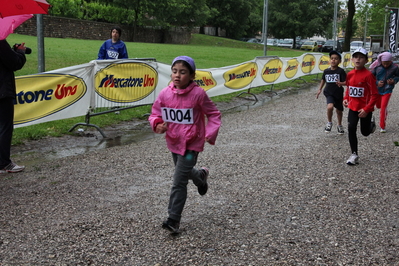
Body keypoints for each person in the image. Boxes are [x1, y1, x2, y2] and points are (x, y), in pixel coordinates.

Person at [148, 56, 222, 234]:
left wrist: (209, 133)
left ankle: (173, 219)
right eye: (174, 71)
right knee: (186, 172)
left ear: (191, 75)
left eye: (183, 72)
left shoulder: (198, 94)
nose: (177, 75)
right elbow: (155, 113)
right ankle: (201, 177)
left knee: (179, 181)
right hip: (174, 142)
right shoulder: (165, 93)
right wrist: (158, 124)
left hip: (192, 145)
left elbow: (214, 114)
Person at [343, 48, 379, 165]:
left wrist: (367, 109)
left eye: (361, 57)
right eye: (356, 57)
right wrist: (346, 99)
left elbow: (374, 94)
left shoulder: (368, 75)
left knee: (365, 132)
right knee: (351, 128)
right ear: (352, 59)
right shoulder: (350, 74)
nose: (358, 59)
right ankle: (354, 154)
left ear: (366, 60)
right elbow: (349, 88)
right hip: (353, 107)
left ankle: (371, 125)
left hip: (365, 108)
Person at [0, 40, 27, 173]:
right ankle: (4, 163)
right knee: (4, 127)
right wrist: (20, 52)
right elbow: (14, 63)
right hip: (2, 92)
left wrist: (12, 51)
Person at [316, 50, 347, 134]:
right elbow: (323, 80)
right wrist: (320, 89)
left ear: (339, 61)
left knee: (339, 110)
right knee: (330, 107)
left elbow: (346, 82)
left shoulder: (341, 71)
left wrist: (341, 83)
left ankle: (339, 125)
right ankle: (329, 122)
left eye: (336, 59)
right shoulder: (326, 71)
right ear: (330, 60)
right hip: (329, 92)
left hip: (338, 93)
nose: (333, 60)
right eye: (332, 58)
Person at [369, 52, 399, 133]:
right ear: (381, 61)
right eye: (384, 63)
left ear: (391, 61)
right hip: (377, 90)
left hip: (388, 89)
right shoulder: (376, 67)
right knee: (378, 106)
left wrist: (394, 81)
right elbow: (370, 77)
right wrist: (377, 83)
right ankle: (383, 111)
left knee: (383, 107)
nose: (386, 65)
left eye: (388, 63)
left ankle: (382, 126)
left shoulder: (395, 67)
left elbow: (397, 76)